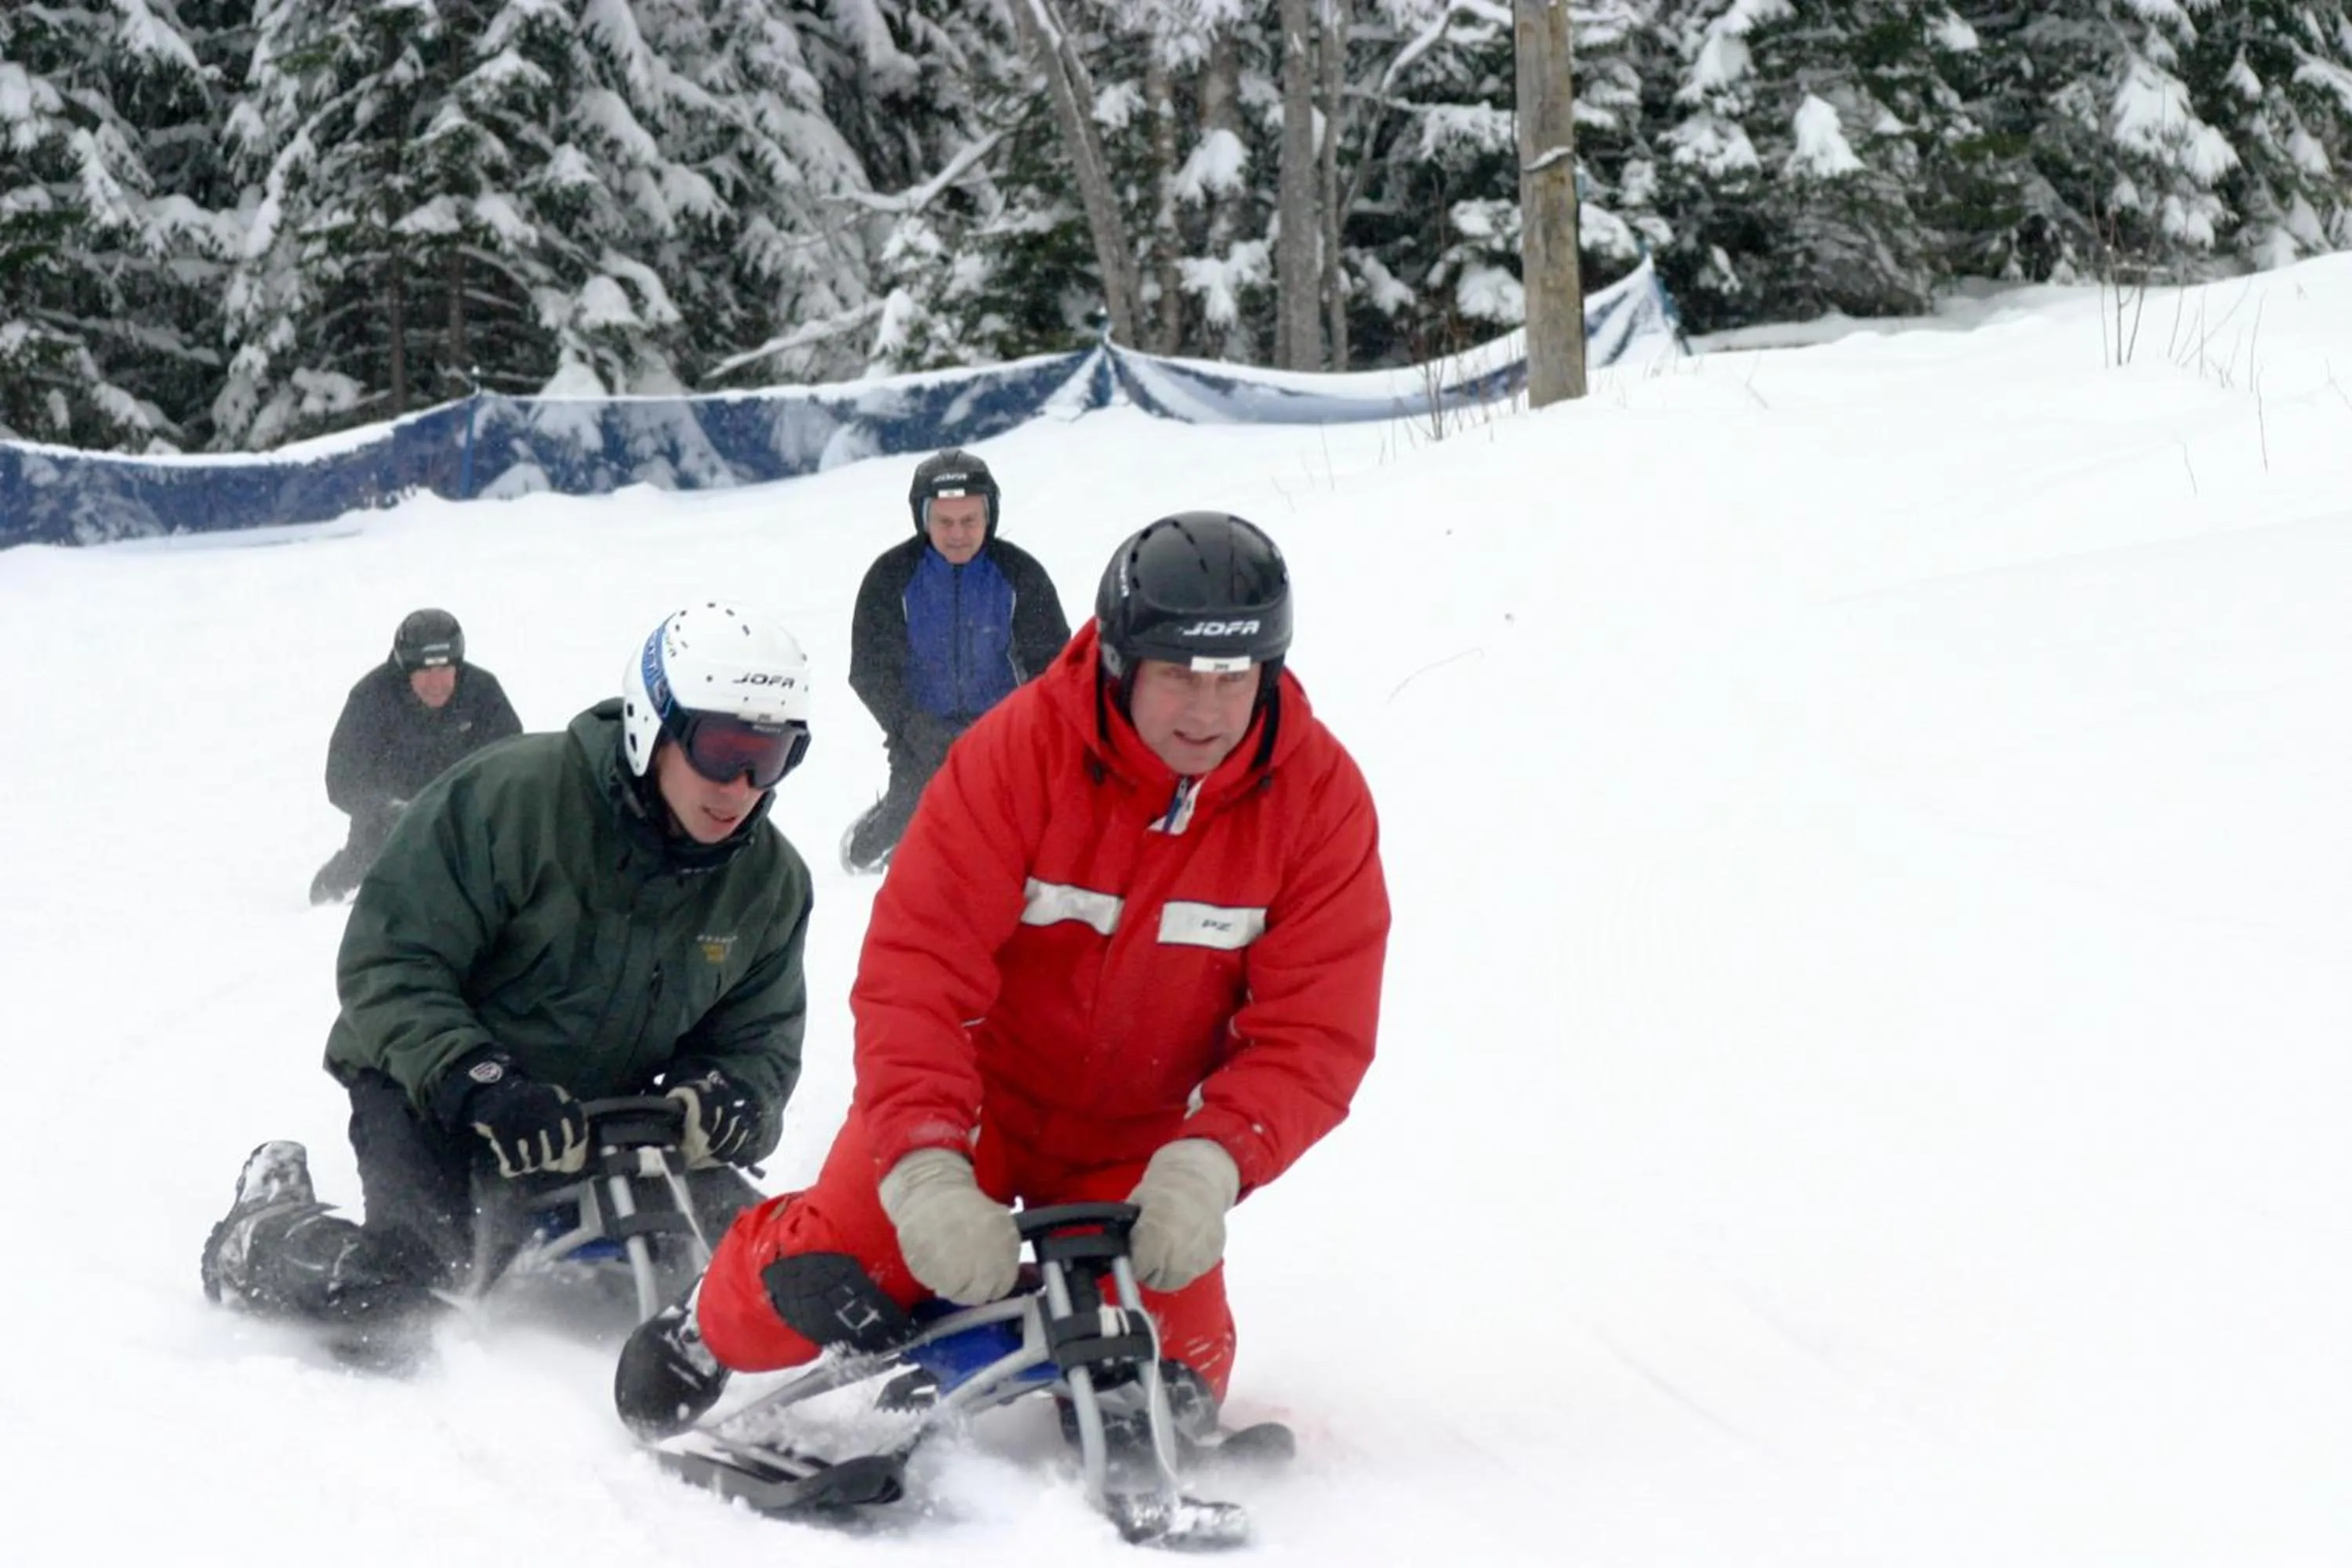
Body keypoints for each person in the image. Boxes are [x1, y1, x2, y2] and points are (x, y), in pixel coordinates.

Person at [616, 514, 1388, 1454]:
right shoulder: (1016, 755)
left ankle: (996, 1327)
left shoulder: (1318, 801)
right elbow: (916, 972)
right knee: (837, 1270)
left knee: (1175, 1374)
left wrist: (1215, 1160)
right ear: (1121, 661)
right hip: (976, 1104)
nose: (1208, 707)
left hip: (1141, 1146)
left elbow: (1315, 1031)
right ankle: (712, 1320)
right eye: (1179, 673)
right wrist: (925, 1164)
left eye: (1234, 675)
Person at [203, 601, 820, 1362]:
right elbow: (392, 964)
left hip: (605, 1114)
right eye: (721, 751)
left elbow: (760, 1040)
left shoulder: (767, 881)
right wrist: (479, 1080)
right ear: (651, 725)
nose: (741, 786)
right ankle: (262, 1233)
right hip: (430, 1082)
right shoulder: (509, 801)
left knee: (770, 1272)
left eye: (772, 757)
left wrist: (730, 1097)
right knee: (402, 1294)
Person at [840, 448, 1070, 873]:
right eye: (945, 522)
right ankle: (875, 832)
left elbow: (1055, 666)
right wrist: (913, 726)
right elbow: (870, 671)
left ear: (989, 516)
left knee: (1032, 840)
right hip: (919, 733)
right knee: (903, 843)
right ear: (923, 518)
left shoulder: (1021, 574)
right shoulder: (890, 577)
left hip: (1006, 733)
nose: (958, 534)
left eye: (970, 520)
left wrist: (1024, 728)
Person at [309, 608, 523, 905]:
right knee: (365, 893)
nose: (436, 682)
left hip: (467, 824)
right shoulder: (371, 698)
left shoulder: (482, 693)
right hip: (386, 830)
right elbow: (342, 779)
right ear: (405, 669)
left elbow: (513, 762)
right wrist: (390, 810)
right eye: (425, 672)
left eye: (444, 670)